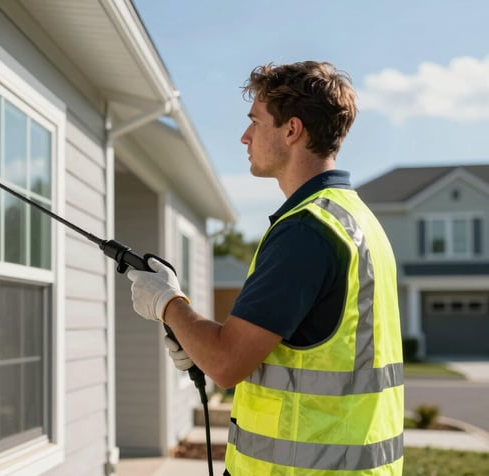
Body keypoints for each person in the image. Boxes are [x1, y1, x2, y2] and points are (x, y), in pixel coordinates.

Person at [127, 61, 404, 475]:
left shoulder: (306, 232)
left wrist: (167, 304)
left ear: (291, 131)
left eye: (255, 121)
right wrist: (194, 340)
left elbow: (225, 363)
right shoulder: (357, 221)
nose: (245, 136)